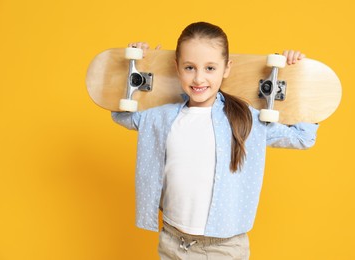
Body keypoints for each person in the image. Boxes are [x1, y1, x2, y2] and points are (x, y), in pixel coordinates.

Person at [112, 21, 318, 259]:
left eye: (210, 68)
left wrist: (298, 77)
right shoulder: (161, 117)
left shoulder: (245, 120)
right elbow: (123, 114)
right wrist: (142, 62)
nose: (199, 78)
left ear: (226, 68)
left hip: (225, 247)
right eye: (190, 67)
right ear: (176, 67)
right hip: (172, 241)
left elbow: (303, 138)